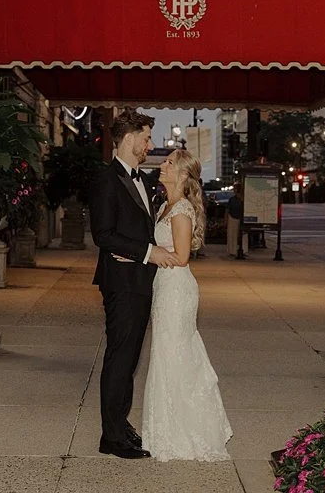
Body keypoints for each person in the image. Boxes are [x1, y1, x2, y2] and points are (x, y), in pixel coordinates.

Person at [89, 110, 180, 460]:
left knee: (128, 360)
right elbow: (104, 235)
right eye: (146, 138)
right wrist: (147, 251)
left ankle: (118, 424)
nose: (150, 145)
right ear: (128, 139)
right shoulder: (105, 180)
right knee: (120, 358)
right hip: (122, 284)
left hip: (140, 281)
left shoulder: (142, 179)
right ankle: (111, 437)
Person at [141, 149, 233, 461]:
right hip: (165, 286)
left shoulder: (180, 210)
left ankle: (184, 433)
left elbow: (181, 257)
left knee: (174, 355)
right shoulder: (165, 206)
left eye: (168, 162)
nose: (162, 165)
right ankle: (168, 428)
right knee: (168, 354)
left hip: (176, 289)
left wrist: (146, 252)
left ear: (182, 175)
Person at [225, 183, 246, 258]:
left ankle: (243, 249)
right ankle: (232, 250)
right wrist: (226, 219)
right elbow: (227, 210)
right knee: (232, 234)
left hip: (240, 218)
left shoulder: (243, 199)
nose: (234, 190)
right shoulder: (232, 199)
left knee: (243, 235)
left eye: (235, 188)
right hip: (232, 217)